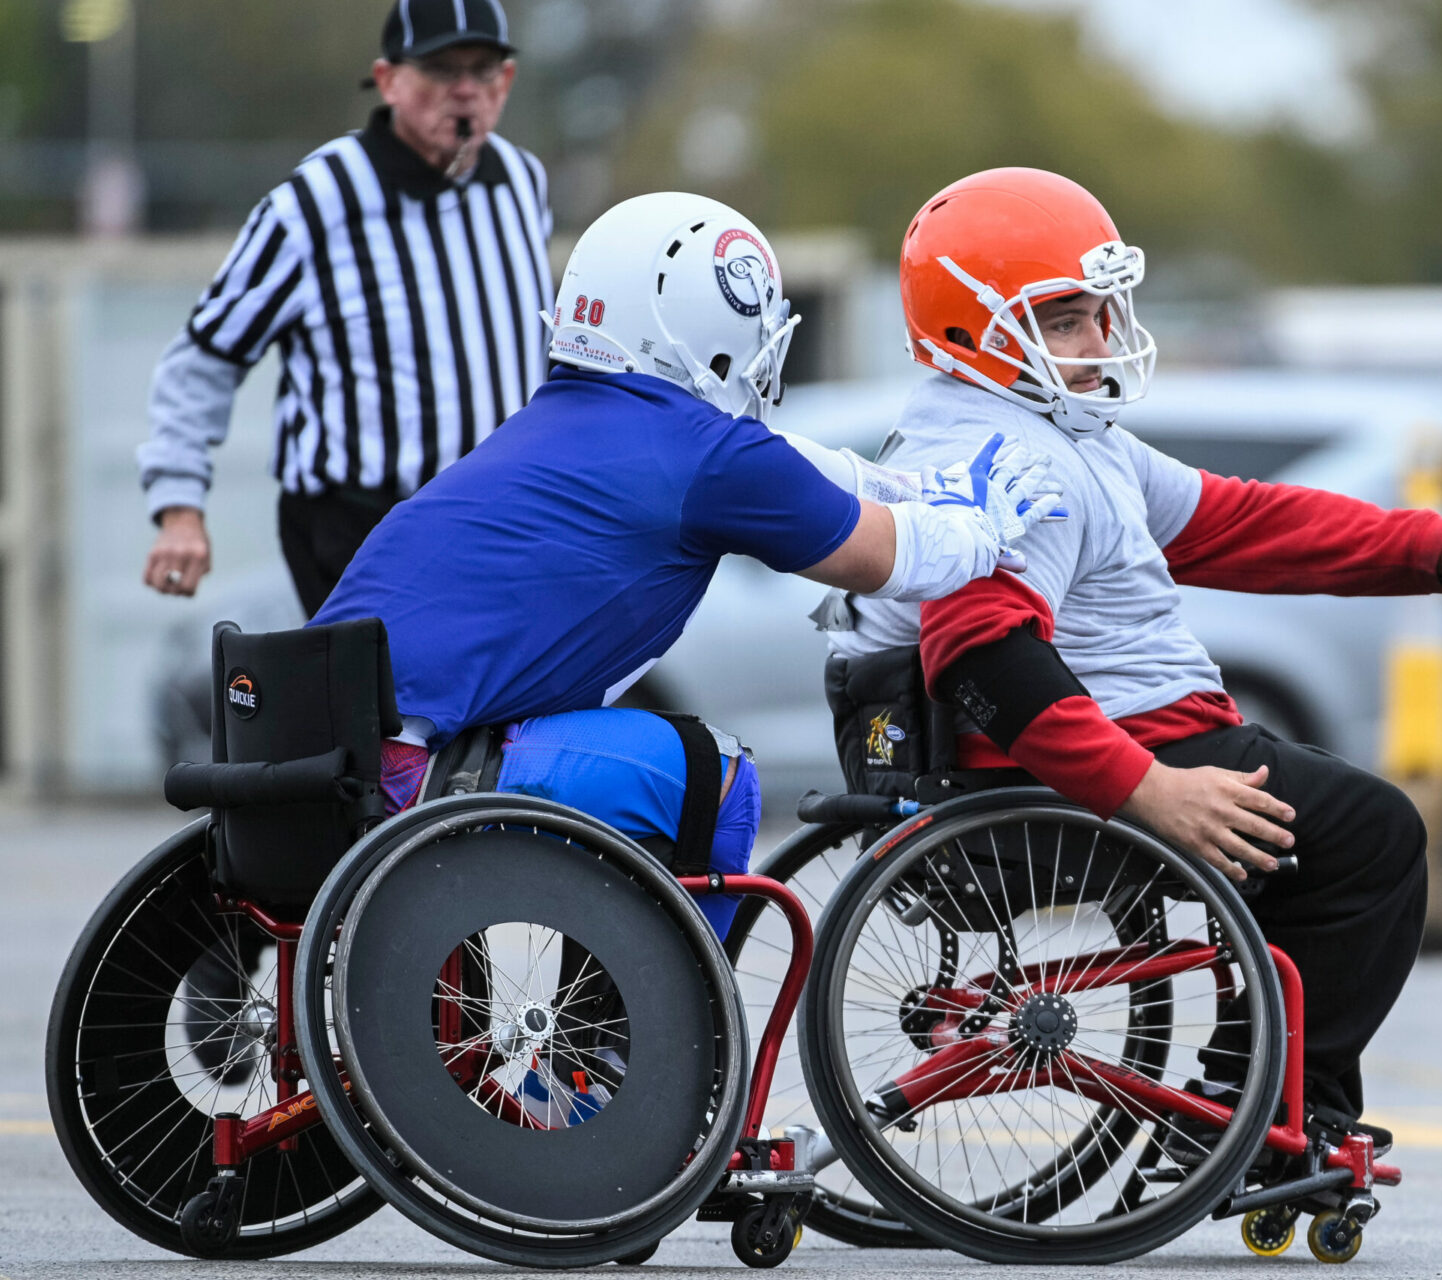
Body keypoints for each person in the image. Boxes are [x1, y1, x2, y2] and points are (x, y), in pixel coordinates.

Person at [822, 167, 1442, 1149]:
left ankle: (1245, 1095)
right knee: (1371, 839)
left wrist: (1432, 547)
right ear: (975, 333)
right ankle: (1269, 1112)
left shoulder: (1043, 428)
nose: (1100, 338)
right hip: (1091, 771)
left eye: (1103, 307)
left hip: (1125, 748)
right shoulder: (1016, 464)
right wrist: (1147, 790)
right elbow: (983, 656)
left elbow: (1236, 521)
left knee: (1332, 823)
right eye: (1065, 318)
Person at [312, 191, 1063, 943]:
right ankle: (637, 1049)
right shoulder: (706, 455)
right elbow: (889, 562)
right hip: (416, 775)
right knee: (715, 772)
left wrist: (920, 492)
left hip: (315, 746)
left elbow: (813, 467)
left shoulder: (560, 419)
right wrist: (979, 529)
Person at [138, 0, 550, 615]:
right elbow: (204, 359)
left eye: (483, 69)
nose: (464, 91)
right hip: (365, 531)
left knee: (518, 707)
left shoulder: (522, 182)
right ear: (388, 80)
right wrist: (180, 510)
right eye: (441, 69)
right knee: (391, 711)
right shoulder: (316, 203)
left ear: (507, 80)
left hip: (502, 527)